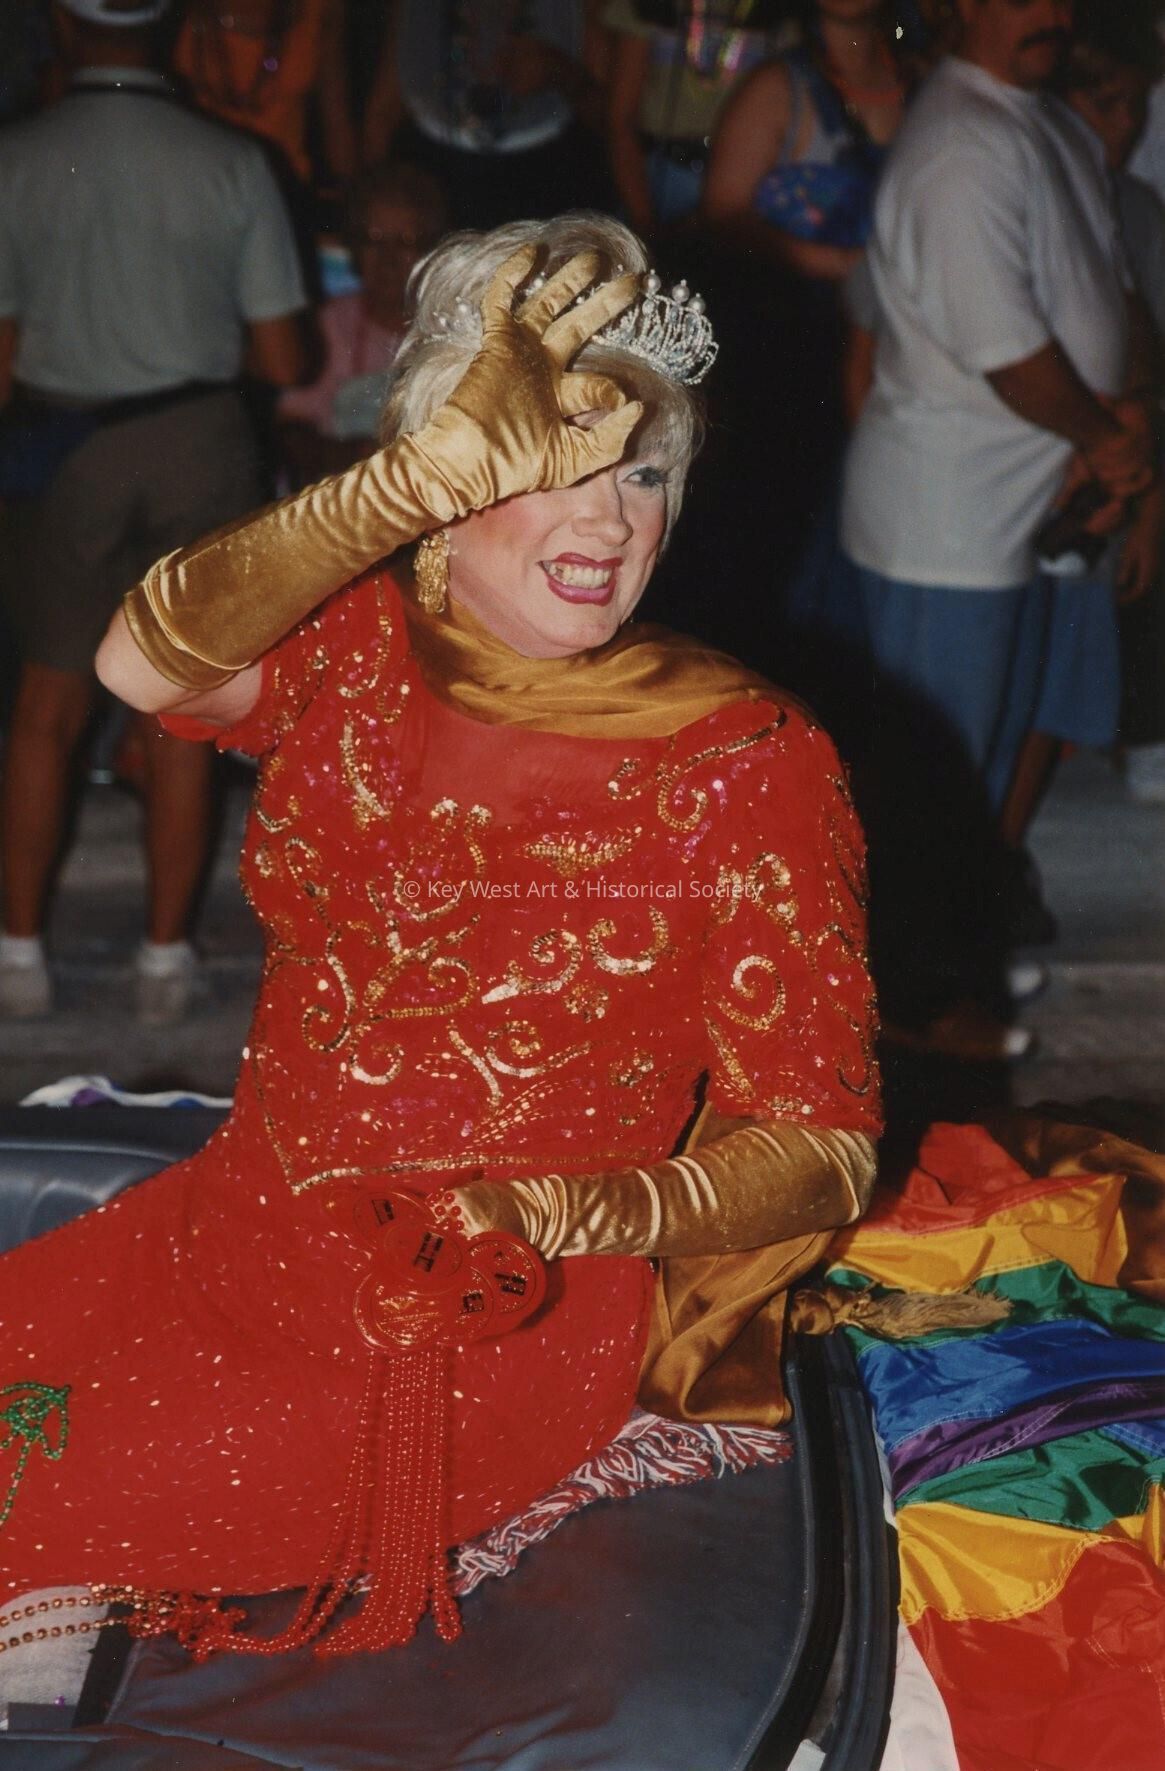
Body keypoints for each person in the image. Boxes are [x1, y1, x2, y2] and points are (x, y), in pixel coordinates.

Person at [0, 213, 879, 1663]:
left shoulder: (745, 755)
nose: (609, 523)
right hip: (226, 1240)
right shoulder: (355, 637)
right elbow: (141, 661)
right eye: (553, 467)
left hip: (472, 1337)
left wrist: (563, 1212)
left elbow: (822, 1143)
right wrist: (393, 490)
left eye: (643, 473)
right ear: (449, 477)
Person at [836, 0, 1154, 1059]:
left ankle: (936, 989)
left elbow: (1114, 290)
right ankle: (899, 1018)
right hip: (943, 529)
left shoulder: (1046, 121)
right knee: (928, 787)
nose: (1048, 13)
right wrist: (1106, 440)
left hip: (1027, 507)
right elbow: (1007, 352)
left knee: (983, 778)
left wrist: (1128, 418)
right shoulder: (956, 145)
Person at [0, 0, 308, 1024]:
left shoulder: (17, 157)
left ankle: (18, 958)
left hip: (69, 446)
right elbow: (283, 360)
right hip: (197, 445)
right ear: (172, 25)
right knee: (177, 710)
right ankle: (164, 963)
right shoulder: (232, 160)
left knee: (46, 710)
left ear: (64, 23)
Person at [360, 0, 612, 229]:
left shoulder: (579, 8)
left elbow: (610, 122)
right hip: (441, 194)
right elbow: (382, 115)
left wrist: (559, 71)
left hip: (547, 195)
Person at [277, 161, 448, 486]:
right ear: (354, 248)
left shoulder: (449, 328)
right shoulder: (330, 323)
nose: (388, 259)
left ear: (430, 251)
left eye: (405, 241)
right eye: (374, 239)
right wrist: (343, 454)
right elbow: (292, 430)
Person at [604, 0, 788, 234]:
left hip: (748, 184)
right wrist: (644, 222)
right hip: (663, 177)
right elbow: (621, 120)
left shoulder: (786, 10)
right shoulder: (645, 7)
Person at [174, 0, 357, 191]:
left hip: (284, 187)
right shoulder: (177, 8)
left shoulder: (320, 6)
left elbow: (336, 116)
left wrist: (350, 190)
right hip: (195, 182)